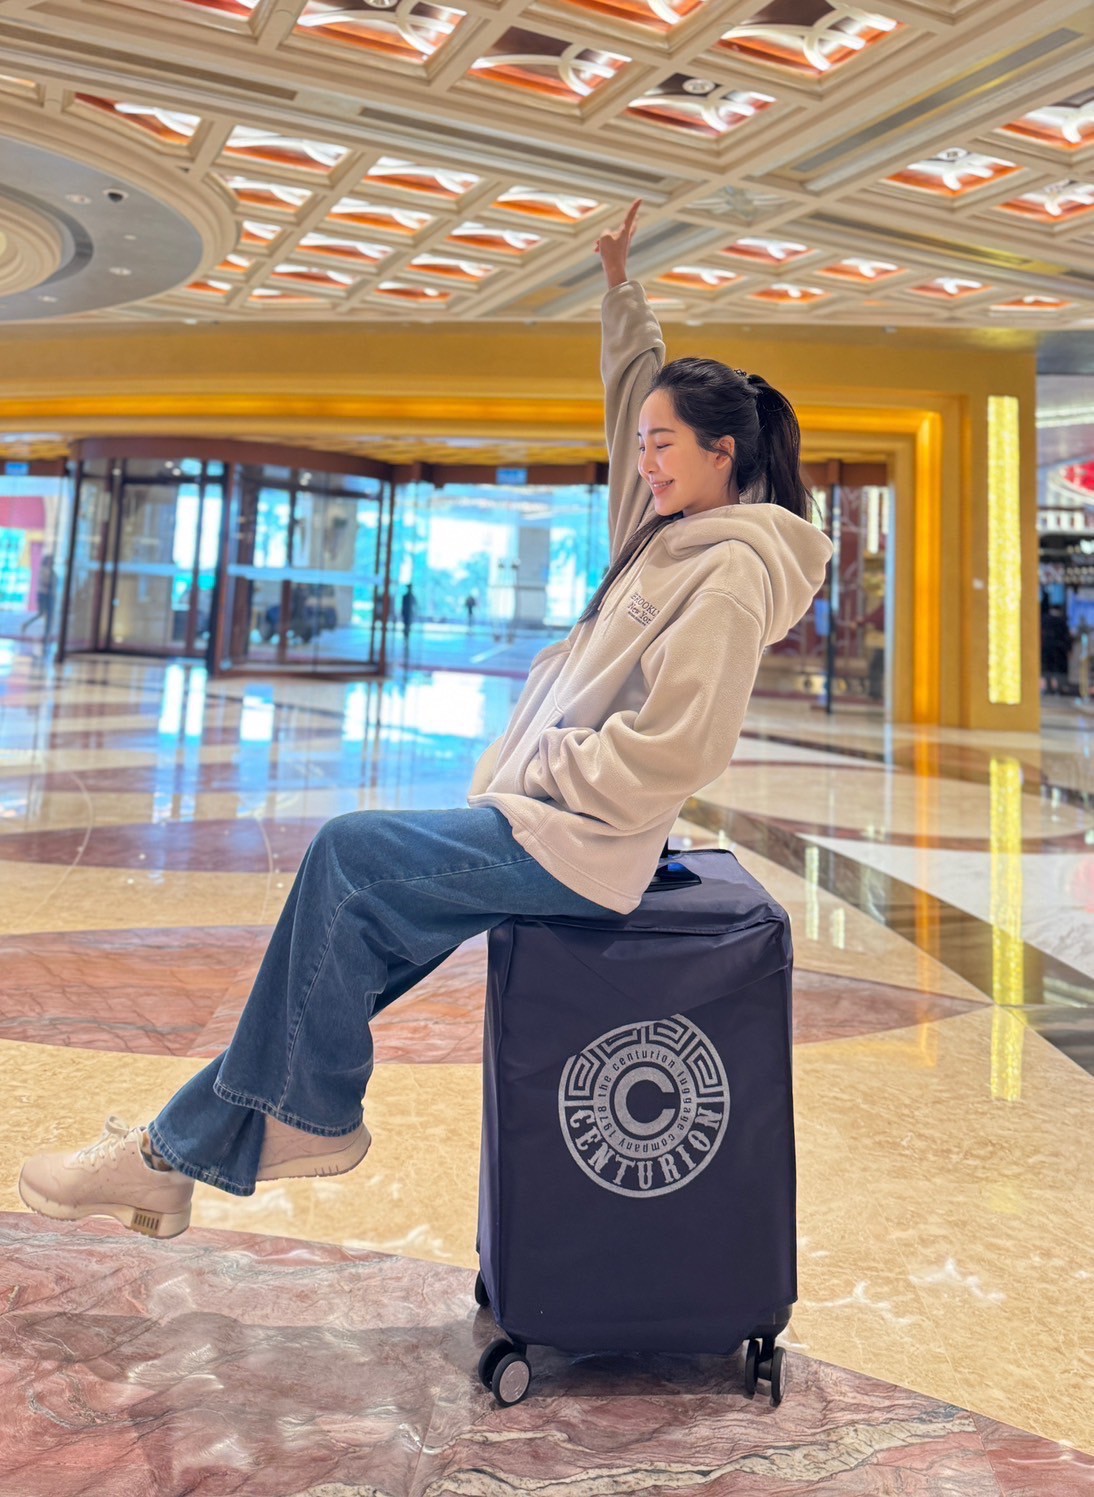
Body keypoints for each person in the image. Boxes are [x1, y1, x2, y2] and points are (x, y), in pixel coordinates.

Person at [17, 199, 832, 1241]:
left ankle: (312, 1119)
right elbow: (632, 390)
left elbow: (683, 746)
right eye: (641, 446)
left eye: (664, 446)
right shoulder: (665, 528)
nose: (645, 462)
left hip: (575, 842)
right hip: (537, 823)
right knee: (312, 989)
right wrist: (620, 290)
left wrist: (553, 764)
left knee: (348, 853)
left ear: (722, 452)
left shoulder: (729, 572)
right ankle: (162, 1161)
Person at [20, 551, 55, 639]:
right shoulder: (43, 570)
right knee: (41, 613)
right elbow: (44, 582)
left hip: (49, 594)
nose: (51, 562)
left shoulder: (51, 571)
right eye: (49, 560)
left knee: (49, 615)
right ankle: (27, 625)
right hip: (43, 594)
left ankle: (47, 633)